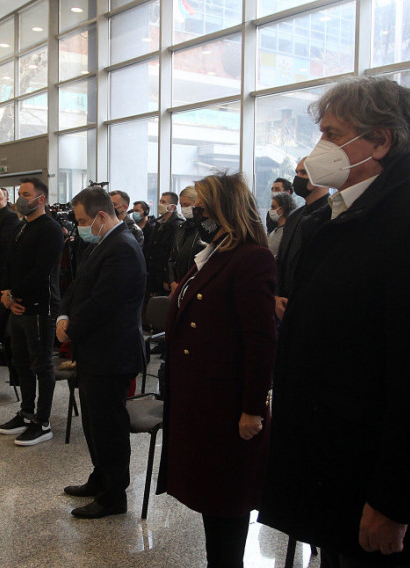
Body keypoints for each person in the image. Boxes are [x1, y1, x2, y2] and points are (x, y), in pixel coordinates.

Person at [259, 76, 410, 568]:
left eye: (333, 134)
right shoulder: (338, 217)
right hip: (332, 466)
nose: (320, 147)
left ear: (380, 140)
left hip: (371, 480)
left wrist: (393, 501)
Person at [156, 173, 276, 566]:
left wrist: (252, 409)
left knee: (227, 501)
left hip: (227, 403)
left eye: (203, 206)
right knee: (213, 498)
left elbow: (260, 343)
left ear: (224, 209)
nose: (196, 213)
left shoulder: (251, 258)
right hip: (201, 399)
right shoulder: (214, 252)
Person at [58, 185, 147, 518]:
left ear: (100, 216)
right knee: (95, 425)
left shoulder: (122, 247)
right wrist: (64, 315)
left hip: (112, 354)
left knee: (109, 427)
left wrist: (71, 329)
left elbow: (102, 304)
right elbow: (77, 287)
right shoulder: (100, 244)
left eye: (83, 221)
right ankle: (100, 478)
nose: (80, 227)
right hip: (95, 352)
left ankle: (113, 496)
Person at [0, 178, 65, 446]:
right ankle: (26, 412)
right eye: (20, 194)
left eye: (26, 195)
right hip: (17, 304)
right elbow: (9, 264)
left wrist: (13, 294)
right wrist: (6, 293)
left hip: (39, 306)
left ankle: (42, 421)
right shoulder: (22, 226)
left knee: (41, 365)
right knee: (21, 362)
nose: (21, 199)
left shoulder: (50, 229)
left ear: (41, 199)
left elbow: (41, 271)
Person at [274, 159, 330, 320]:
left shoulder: (332, 215)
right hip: (284, 305)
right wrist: (276, 296)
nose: (297, 178)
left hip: (314, 308)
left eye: (303, 173)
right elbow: (281, 260)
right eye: (297, 172)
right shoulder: (294, 216)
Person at [167, 186, 206, 291]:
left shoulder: (205, 228)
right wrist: (172, 282)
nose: (184, 209)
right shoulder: (181, 227)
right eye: (181, 205)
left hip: (194, 285)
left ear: (197, 204)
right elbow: (172, 257)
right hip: (178, 284)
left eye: (187, 205)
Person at [145, 192, 183, 296]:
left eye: (163, 202)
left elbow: (172, 253)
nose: (160, 204)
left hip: (164, 276)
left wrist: (168, 278)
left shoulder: (177, 225)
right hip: (154, 273)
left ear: (172, 207)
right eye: (160, 201)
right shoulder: (157, 223)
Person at [266, 191, 296, 257]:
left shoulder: (288, 232)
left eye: (273, 207)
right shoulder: (274, 231)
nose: (271, 210)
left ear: (282, 209)